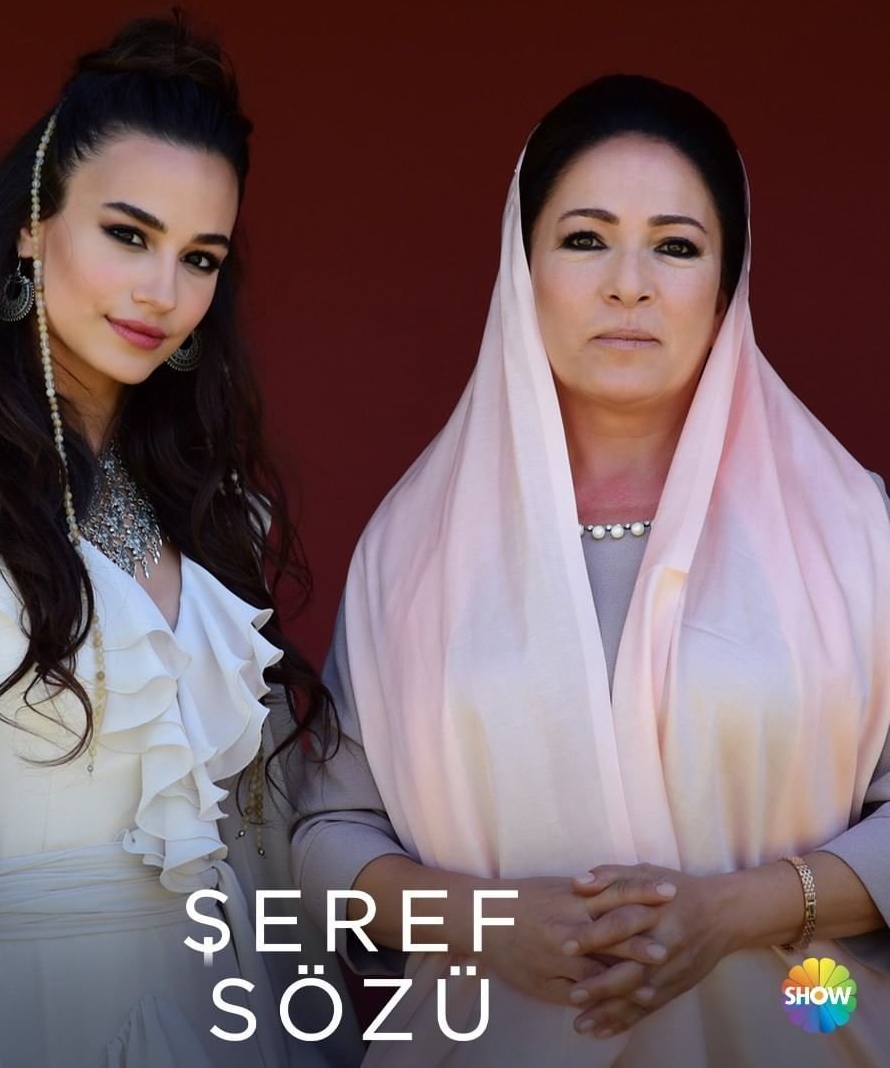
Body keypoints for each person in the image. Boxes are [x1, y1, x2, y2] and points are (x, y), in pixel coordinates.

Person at [290, 75, 890, 1065]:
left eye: (676, 246)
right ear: (520, 268)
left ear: (727, 285)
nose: (629, 284)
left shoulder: (852, 529)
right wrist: (491, 925)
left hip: (796, 1031)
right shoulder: (417, 546)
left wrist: (735, 912)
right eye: (584, 239)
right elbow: (327, 835)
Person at [0, 13, 359, 1068]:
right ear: (32, 226)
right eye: (128, 235)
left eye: (201, 258)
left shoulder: (220, 515)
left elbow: (254, 862)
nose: (164, 292)